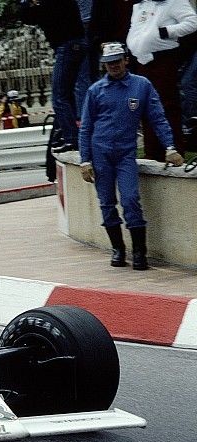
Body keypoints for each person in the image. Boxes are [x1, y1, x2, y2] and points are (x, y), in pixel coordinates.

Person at [79, 42, 185, 271]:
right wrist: (85, 160)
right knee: (106, 203)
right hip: (100, 153)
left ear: (126, 60)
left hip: (125, 153)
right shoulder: (95, 90)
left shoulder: (141, 85)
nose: (114, 66)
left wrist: (170, 147)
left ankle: (139, 253)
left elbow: (157, 117)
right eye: (109, 63)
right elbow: (86, 127)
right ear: (104, 65)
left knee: (130, 200)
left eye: (117, 60)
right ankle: (118, 248)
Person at [126, 0, 197, 161]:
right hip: (141, 61)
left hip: (163, 59)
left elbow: (192, 22)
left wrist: (165, 32)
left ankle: (174, 149)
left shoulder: (175, 2)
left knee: (167, 105)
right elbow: (134, 27)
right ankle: (152, 152)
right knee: (145, 106)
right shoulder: (141, 5)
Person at [20, 0, 88, 152]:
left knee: (58, 97)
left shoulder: (50, 5)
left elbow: (28, 17)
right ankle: (74, 136)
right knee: (68, 94)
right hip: (77, 45)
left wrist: (26, 3)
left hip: (67, 45)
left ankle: (72, 138)